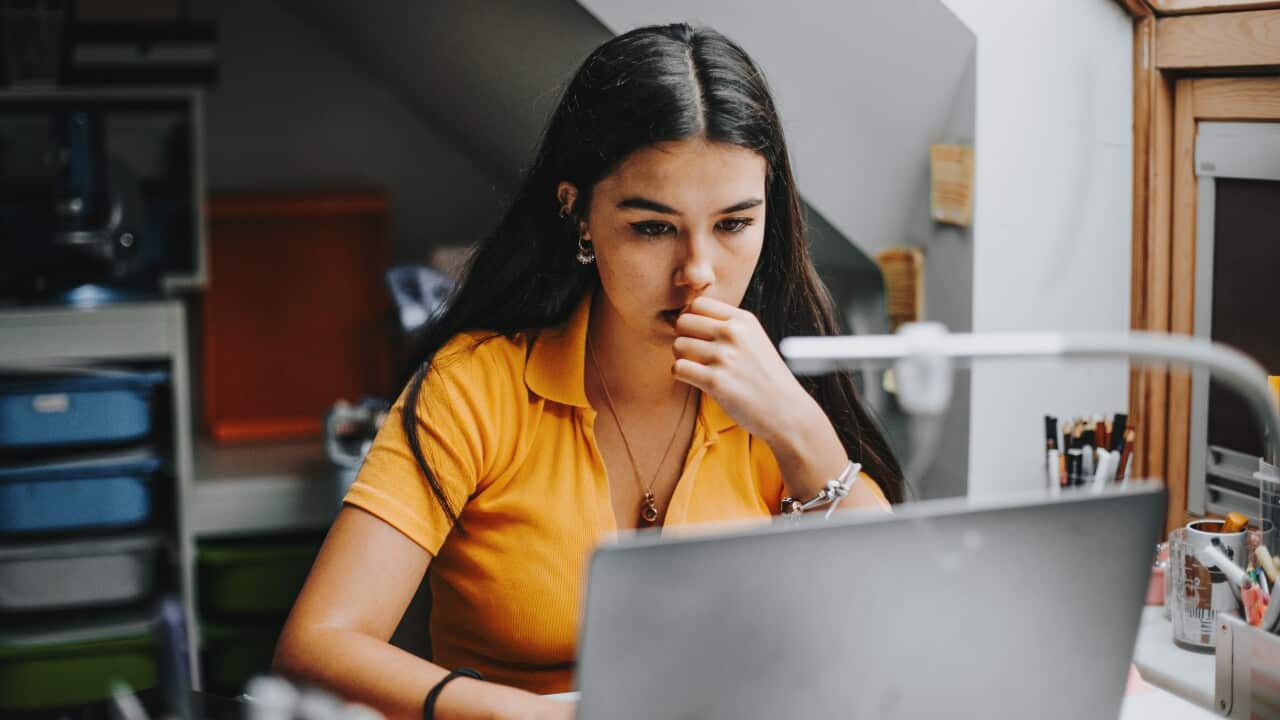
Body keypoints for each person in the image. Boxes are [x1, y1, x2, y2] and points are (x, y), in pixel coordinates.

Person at [273, 22, 903, 720]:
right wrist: (533, 715)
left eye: (733, 225)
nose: (698, 273)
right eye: (654, 227)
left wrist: (799, 427)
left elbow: (891, 635)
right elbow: (315, 648)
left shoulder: (779, 392)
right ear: (579, 214)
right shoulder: (475, 387)